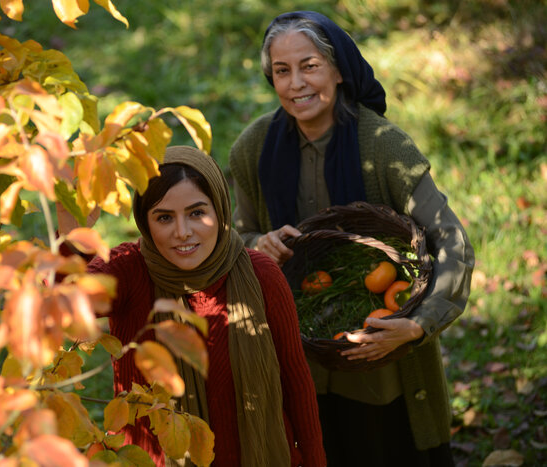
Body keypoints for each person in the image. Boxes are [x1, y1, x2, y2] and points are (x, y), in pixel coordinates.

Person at [229, 10, 474, 467]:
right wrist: (258, 242)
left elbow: (451, 241)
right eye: (282, 71)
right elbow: (241, 235)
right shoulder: (253, 147)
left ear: (339, 70)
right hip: (294, 351)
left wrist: (417, 325)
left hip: (377, 356)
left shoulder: (383, 148)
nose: (296, 83)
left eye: (309, 66)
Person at [82, 146, 327, 466]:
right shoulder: (129, 272)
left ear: (221, 210)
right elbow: (64, 304)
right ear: (145, 220)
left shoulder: (261, 275)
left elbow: (296, 382)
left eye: (197, 213)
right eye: (164, 217)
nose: (182, 232)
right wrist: (73, 234)